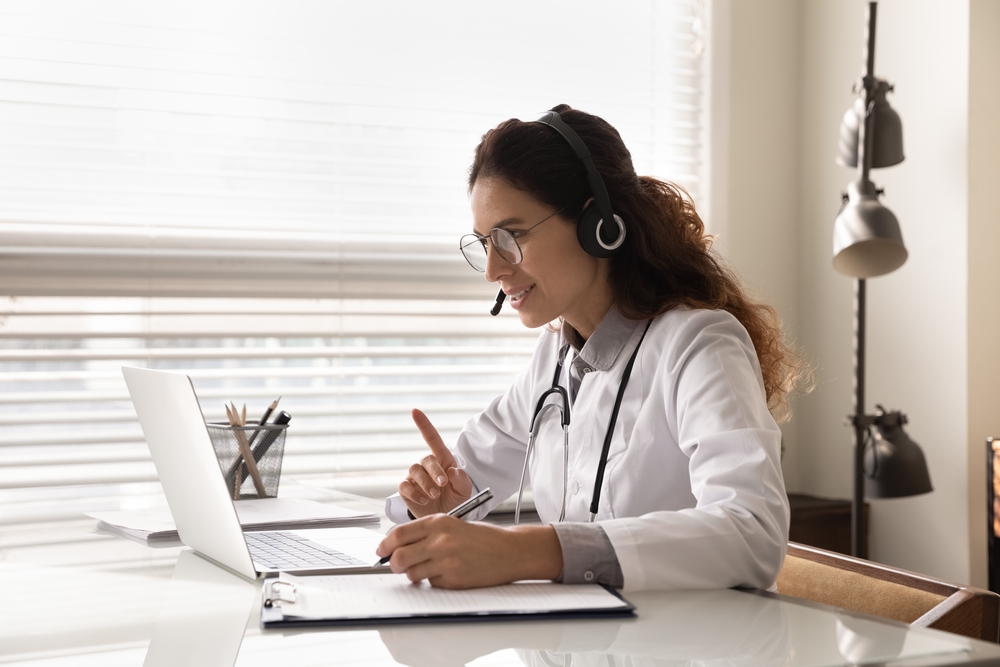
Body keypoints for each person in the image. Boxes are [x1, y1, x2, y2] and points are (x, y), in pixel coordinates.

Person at [374, 104, 807, 592]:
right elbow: (464, 477)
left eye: (510, 236)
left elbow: (753, 532)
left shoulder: (698, 345)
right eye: (483, 243)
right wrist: (434, 505)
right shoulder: (553, 360)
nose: (493, 269)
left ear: (597, 224)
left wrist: (527, 551)